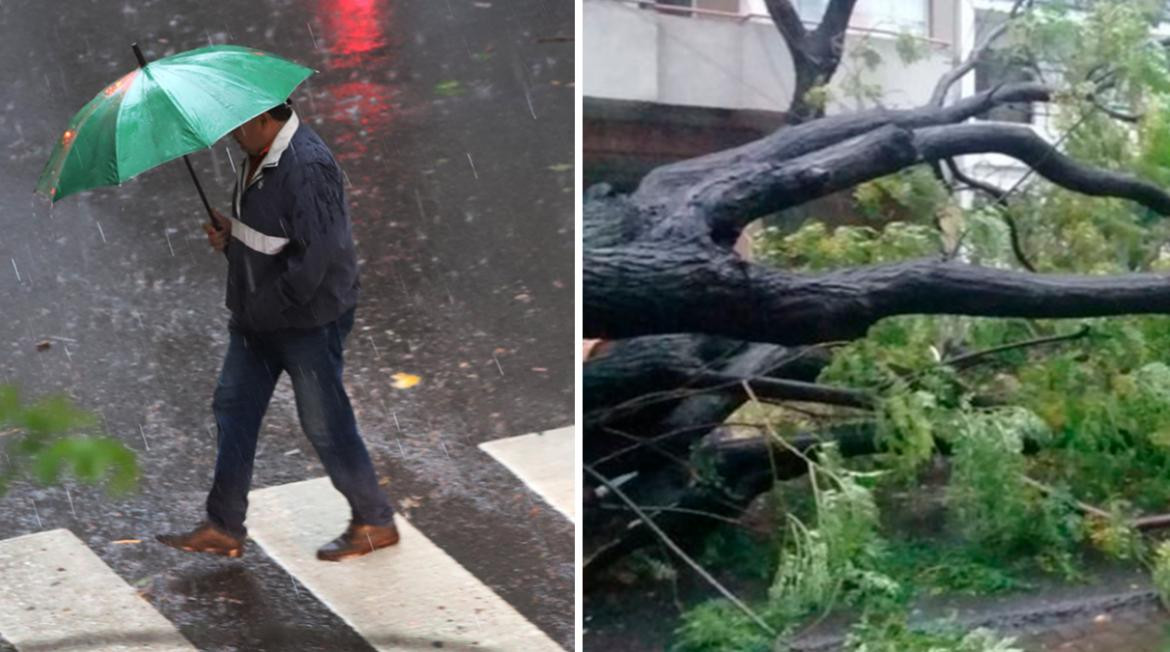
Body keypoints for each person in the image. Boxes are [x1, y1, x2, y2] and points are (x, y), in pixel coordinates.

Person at [156, 101, 399, 562]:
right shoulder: (260, 156)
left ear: (264, 117)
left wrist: (267, 307)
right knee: (234, 408)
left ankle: (375, 520)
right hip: (260, 318)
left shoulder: (308, 166)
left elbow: (315, 259)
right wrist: (233, 237)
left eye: (236, 125)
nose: (229, 134)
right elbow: (273, 235)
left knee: (325, 423)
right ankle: (224, 525)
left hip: (306, 321)